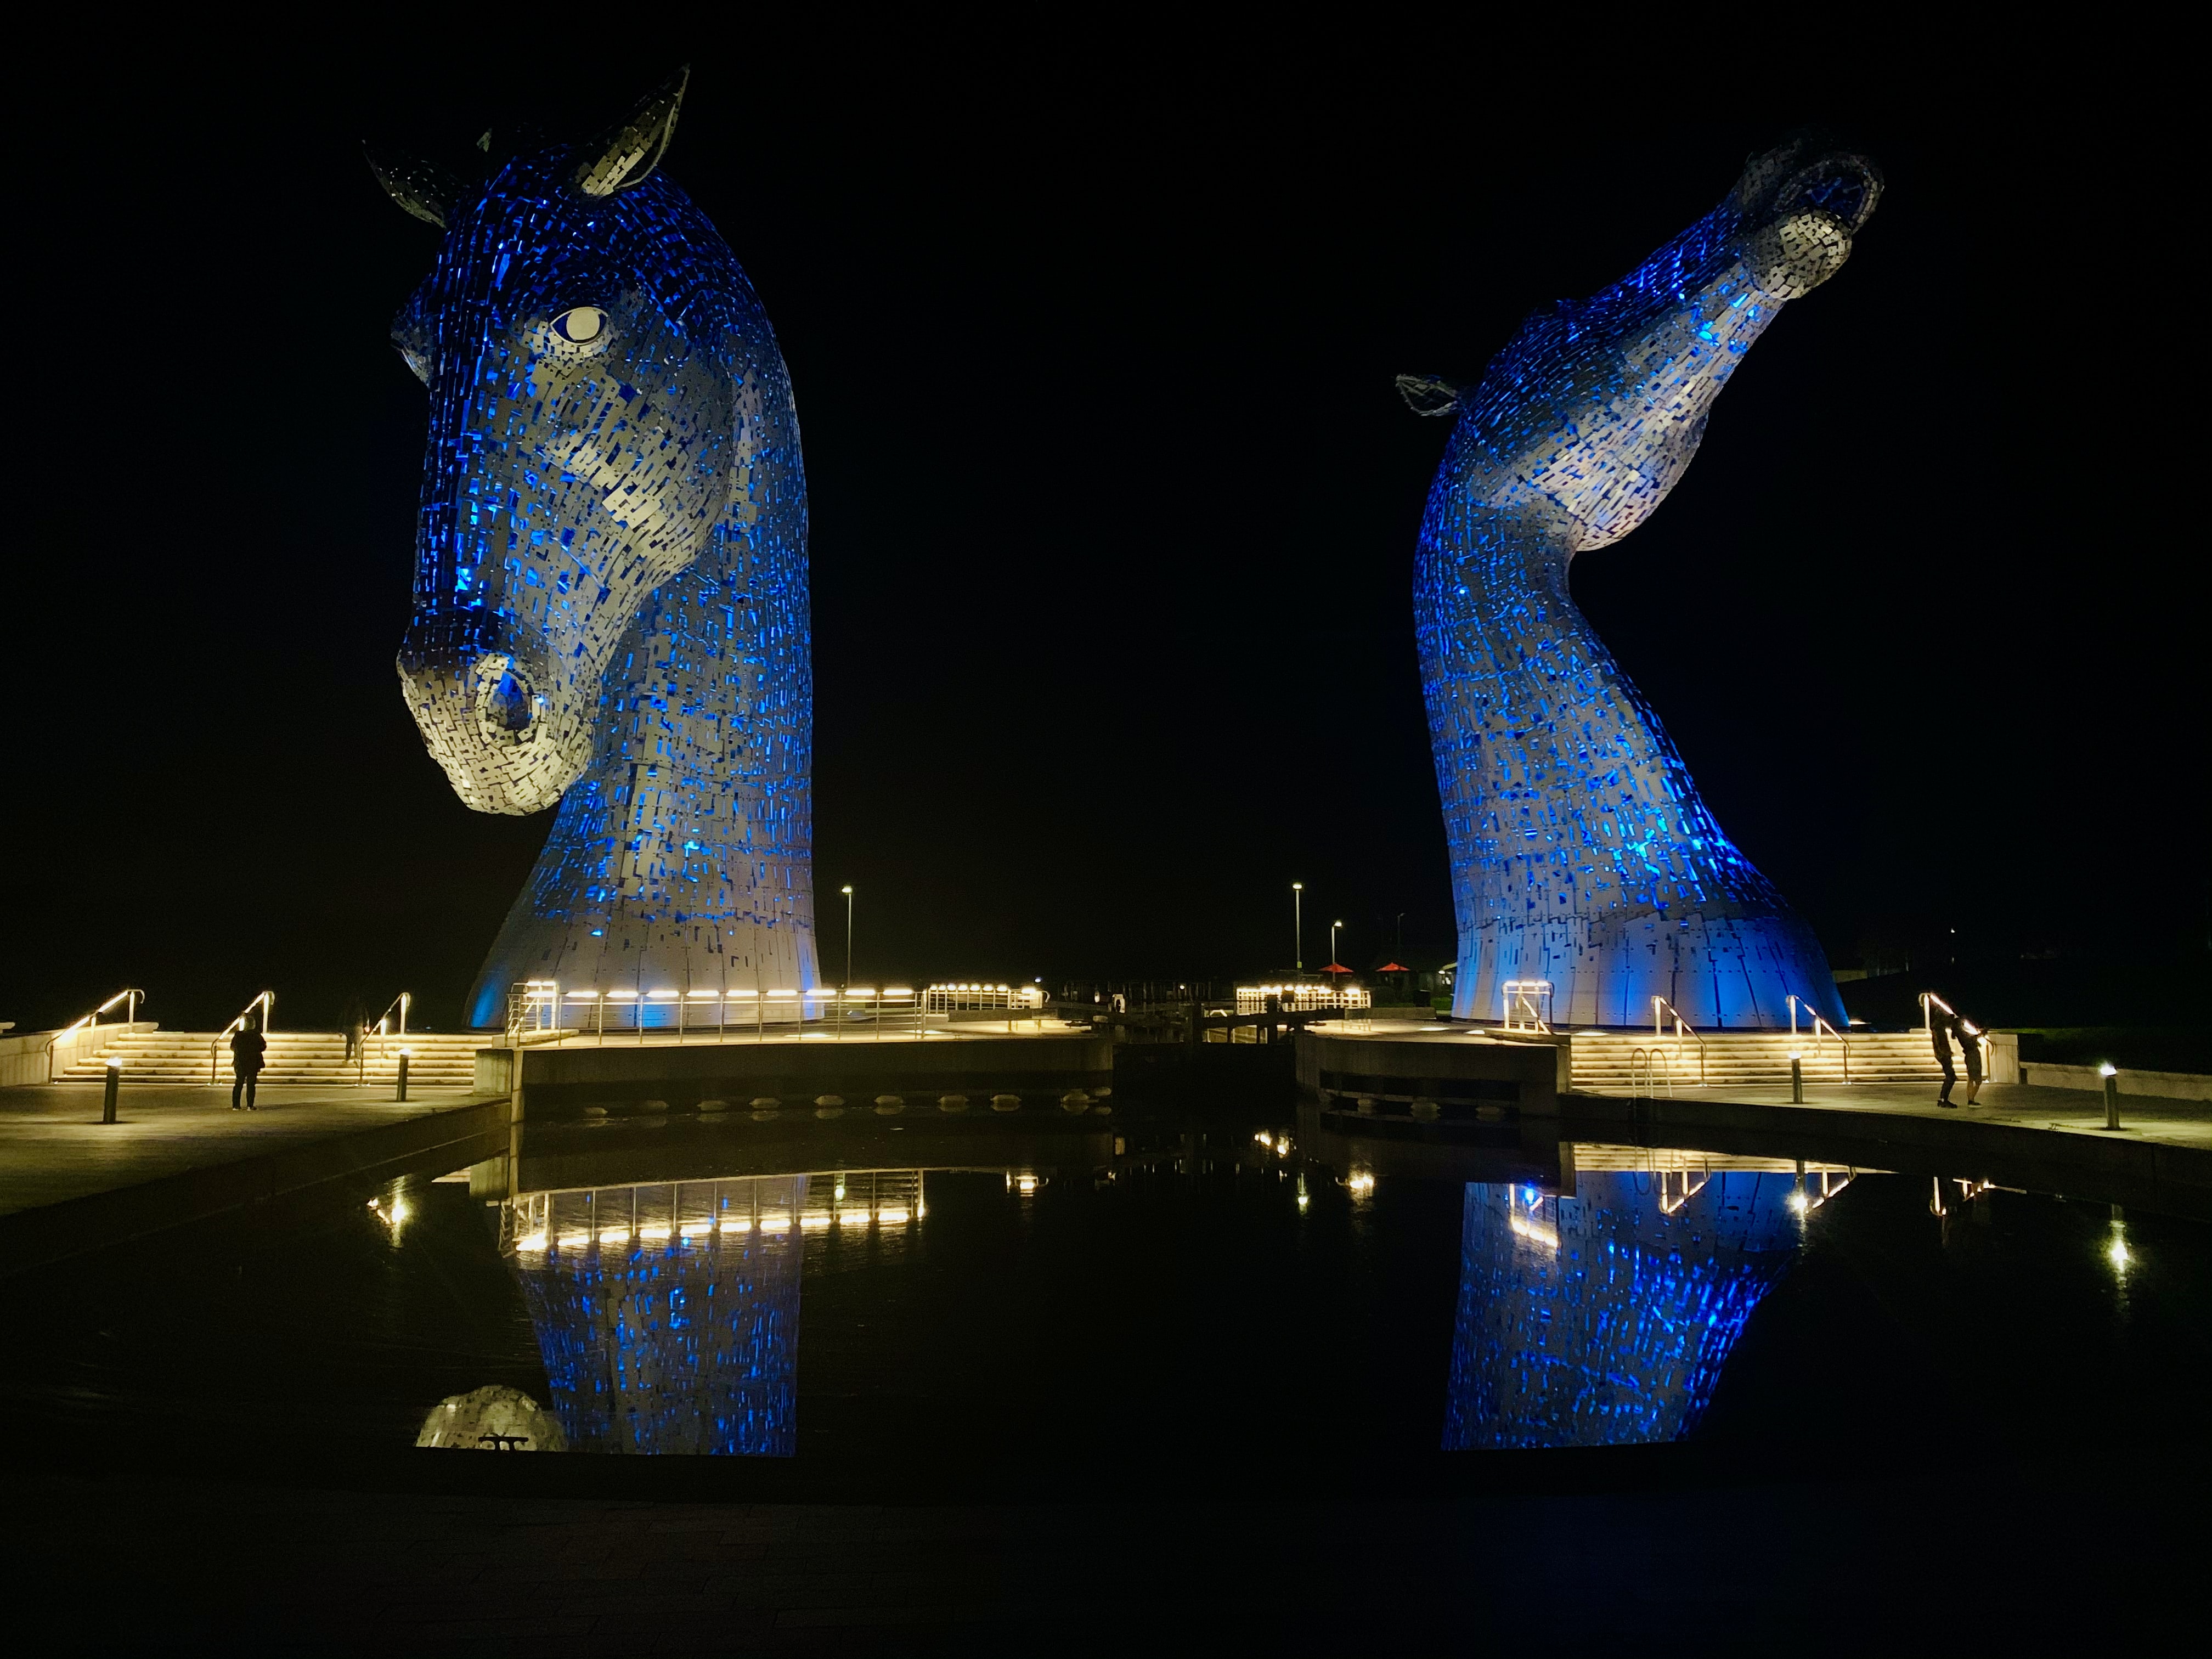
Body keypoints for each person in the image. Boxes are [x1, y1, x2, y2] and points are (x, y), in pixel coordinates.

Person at [230, 1015, 267, 1111]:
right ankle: (250, 1105)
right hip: (253, 1062)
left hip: (240, 1062)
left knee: (239, 1083)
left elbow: (233, 1047)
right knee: (251, 1084)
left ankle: (236, 1105)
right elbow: (263, 1047)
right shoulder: (256, 1035)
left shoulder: (238, 1035)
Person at [1933, 1011, 1960, 1108]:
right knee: (1951, 1077)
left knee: (1951, 1077)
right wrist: (1946, 1053)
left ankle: (1943, 1099)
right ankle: (1944, 1099)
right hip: (1943, 1055)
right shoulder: (1939, 1028)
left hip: (1943, 1054)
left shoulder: (1938, 1026)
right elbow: (1940, 1043)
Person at [342, 997, 368, 1063]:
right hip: (358, 1026)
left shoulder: (348, 1005)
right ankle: (357, 1057)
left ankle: (348, 1058)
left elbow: (344, 1016)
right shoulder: (361, 1005)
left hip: (349, 1025)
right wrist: (366, 1025)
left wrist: (342, 1028)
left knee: (349, 1043)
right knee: (357, 1043)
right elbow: (366, 1016)